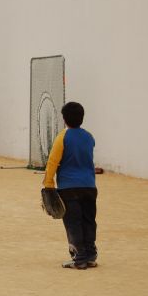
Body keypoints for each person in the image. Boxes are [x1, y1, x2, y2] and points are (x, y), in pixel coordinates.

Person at [42, 102, 97, 270]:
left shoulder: (62, 137)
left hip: (69, 187)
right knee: (89, 220)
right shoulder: (89, 137)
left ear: (64, 119)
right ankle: (90, 255)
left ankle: (79, 257)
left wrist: (48, 183)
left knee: (73, 221)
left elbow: (52, 161)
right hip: (89, 186)